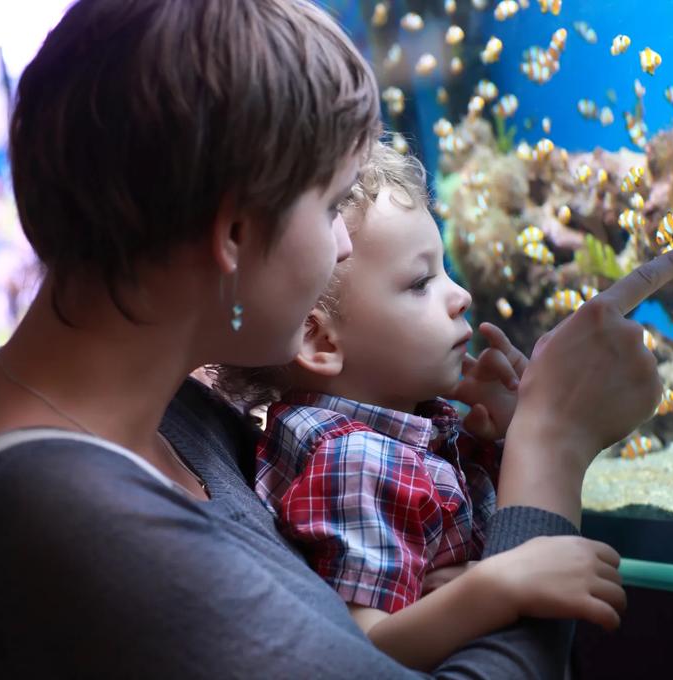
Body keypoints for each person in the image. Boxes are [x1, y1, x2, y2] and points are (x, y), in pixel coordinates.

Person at [0, 0, 673, 677]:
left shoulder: (171, 418)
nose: (341, 246)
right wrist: (550, 450)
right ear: (235, 233)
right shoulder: (75, 521)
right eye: (333, 205)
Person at [213, 141, 618, 671]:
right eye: (421, 282)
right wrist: (493, 587)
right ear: (321, 342)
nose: (460, 296)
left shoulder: (406, 424)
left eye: (444, 269)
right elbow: (364, 651)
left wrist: (502, 430)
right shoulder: (353, 462)